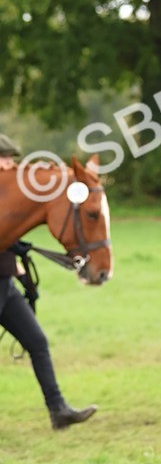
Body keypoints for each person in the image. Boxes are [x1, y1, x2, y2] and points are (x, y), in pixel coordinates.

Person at [0, 134, 97, 430]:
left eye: (11, 159)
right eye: (4, 158)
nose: (10, 164)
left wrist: (17, 252)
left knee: (37, 342)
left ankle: (59, 410)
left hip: (4, 285)